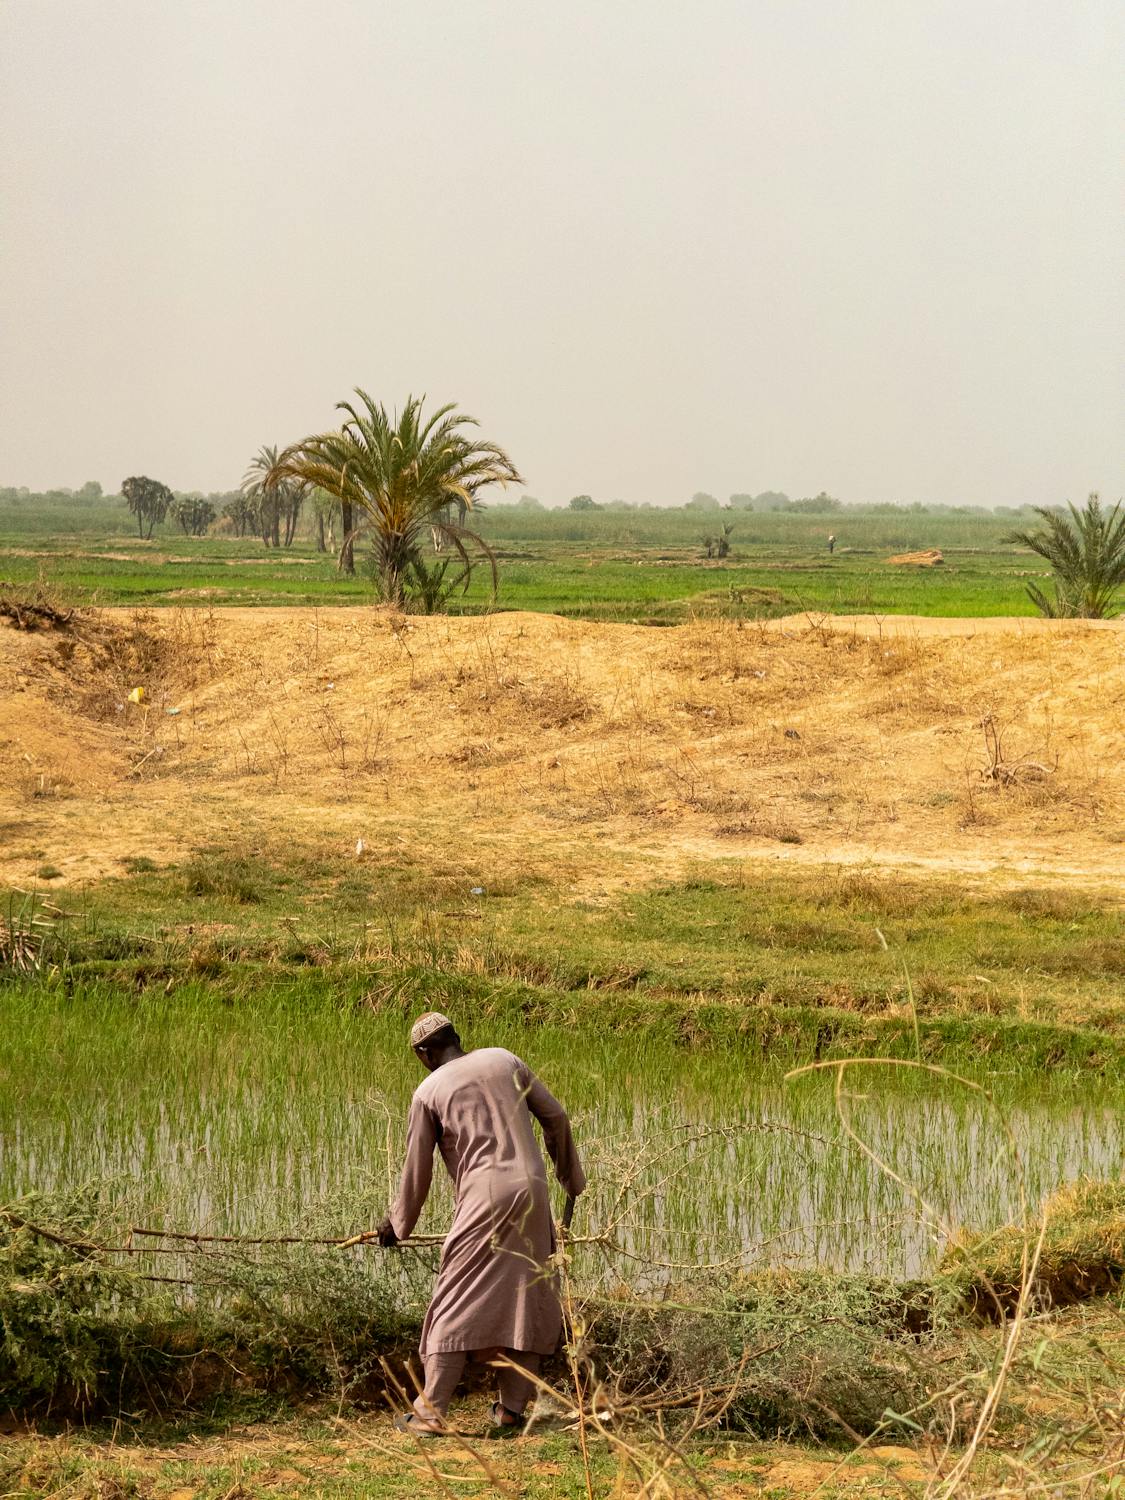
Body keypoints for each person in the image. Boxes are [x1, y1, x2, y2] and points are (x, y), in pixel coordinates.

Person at [377, 1012, 585, 1436]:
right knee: (528, 1298)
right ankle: (510, 1411)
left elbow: (417, 1171)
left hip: (484, 1200)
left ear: (423, 1053)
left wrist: (397, 1225)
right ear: (457, 1038)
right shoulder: (504, 1059)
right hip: (533, 1190)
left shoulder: (428, 1091)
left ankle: (430, 1412)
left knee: (453, 1299)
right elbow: (556, 1118)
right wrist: (572, 1180)